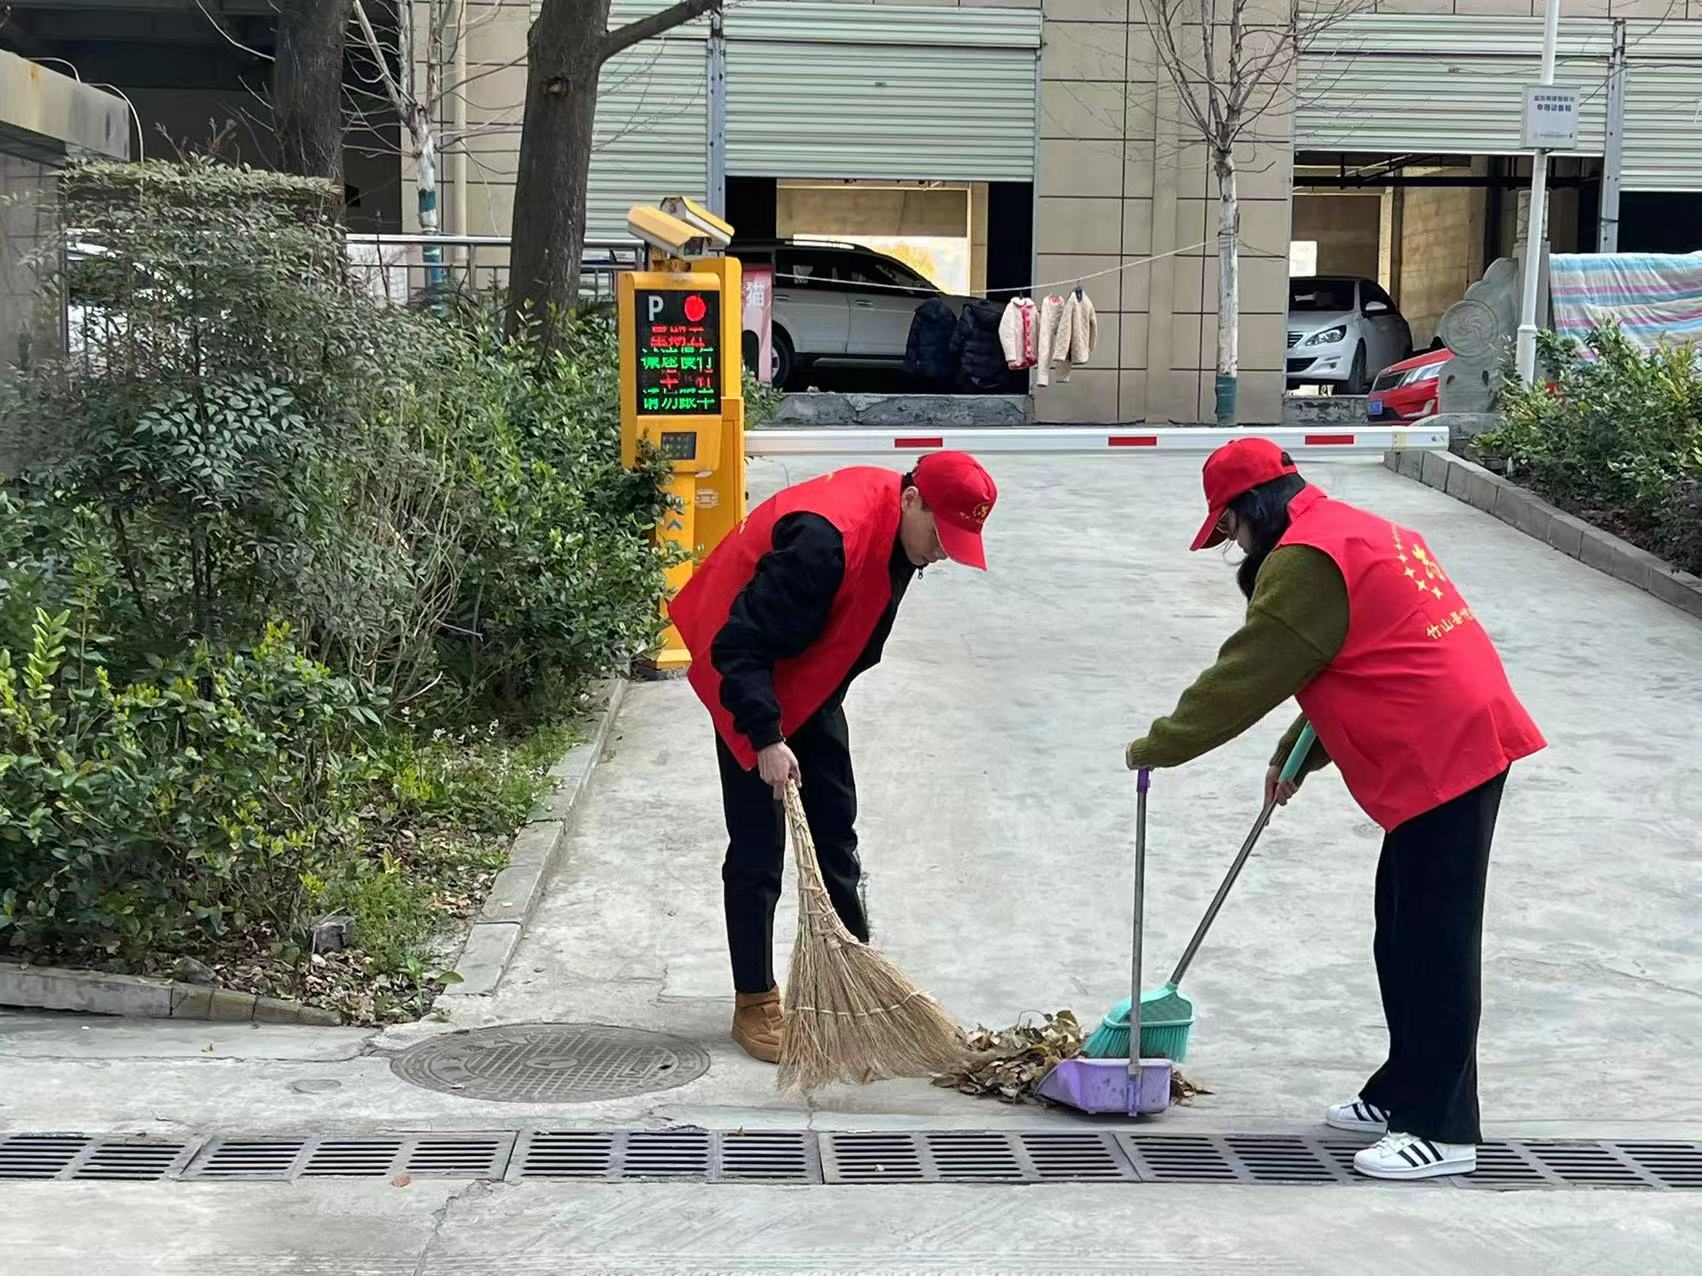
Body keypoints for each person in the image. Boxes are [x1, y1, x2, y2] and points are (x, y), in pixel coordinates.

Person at [1124, 438, 1545, 1181]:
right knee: (1401, 929)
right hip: (1452, 735)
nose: (1233, 546)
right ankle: (1401, 1091)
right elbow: (1346, 658)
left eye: (1228, 530)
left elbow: (1249, 673)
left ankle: (1442, 1129)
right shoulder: (1354, 530)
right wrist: (1295, 758)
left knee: (1436, 943)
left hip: (1446, 748)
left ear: (1249, 510)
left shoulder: (1305, 561)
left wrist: (1159, 746)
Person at [670, 451, 998, 1063]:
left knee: (835, 832)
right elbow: (737, 647)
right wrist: (767, 737)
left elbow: (850, 634)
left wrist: (810, 719)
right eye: (940, 534)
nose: (943, 551)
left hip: (807, 676)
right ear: (912, 500)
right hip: (741, 667)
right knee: (758, 848)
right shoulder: (825, 543)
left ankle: (856, 983)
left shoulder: (902, 536)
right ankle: (755, 1000)